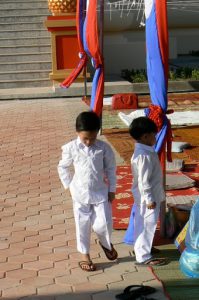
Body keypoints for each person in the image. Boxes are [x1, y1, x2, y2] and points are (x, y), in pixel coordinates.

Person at [57, 111, 118, 271]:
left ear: (98, 132)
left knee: (103, 224)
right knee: (82, 225)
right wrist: (67, 186)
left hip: (100, 193)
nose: (89, 142)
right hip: (79, 194)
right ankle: (85, 254)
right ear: (77, 132)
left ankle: (106, 244)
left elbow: (111, 168)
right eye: (85, 138)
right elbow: (63, 167)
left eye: (93, 137)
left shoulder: (104, 148)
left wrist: (112, 189)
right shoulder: (70, 148)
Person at [124, 116, 166, 266]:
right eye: (154, 135)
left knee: (143, 223)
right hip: (147, 198)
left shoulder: (145, 152)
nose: (155, 137)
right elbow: (143, 181)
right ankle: (143, 256)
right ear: (145, 136)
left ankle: (141, 249)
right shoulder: (143, 156)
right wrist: (149, 199)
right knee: (147, 225)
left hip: (149, 196)